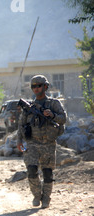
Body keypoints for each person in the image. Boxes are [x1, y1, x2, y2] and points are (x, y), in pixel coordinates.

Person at [17, 75, 67, 208]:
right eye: (33, 86)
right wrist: (19, 140)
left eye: (39, 85)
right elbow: (21, 125)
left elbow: (63, 119)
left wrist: (52, 115)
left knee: (47, 173)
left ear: (45, 86)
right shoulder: (29, 107)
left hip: (49, 143)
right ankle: (37, 195)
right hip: (33, 143)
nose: (36, 88)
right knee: (31, 170)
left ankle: (46, 198)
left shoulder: (54, 103)